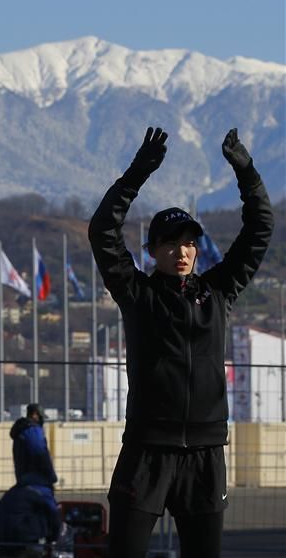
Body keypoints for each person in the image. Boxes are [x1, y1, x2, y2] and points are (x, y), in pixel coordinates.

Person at [88, 127, 273, 557]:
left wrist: (245, 171)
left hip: (206, 455)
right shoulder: (137, 295)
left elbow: (261, 227)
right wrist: (136, 174)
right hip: (147, 451)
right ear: (152, 251)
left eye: (189, 242)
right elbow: (102, 231)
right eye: (171, 244)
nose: (183, 251)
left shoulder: (218, 292)